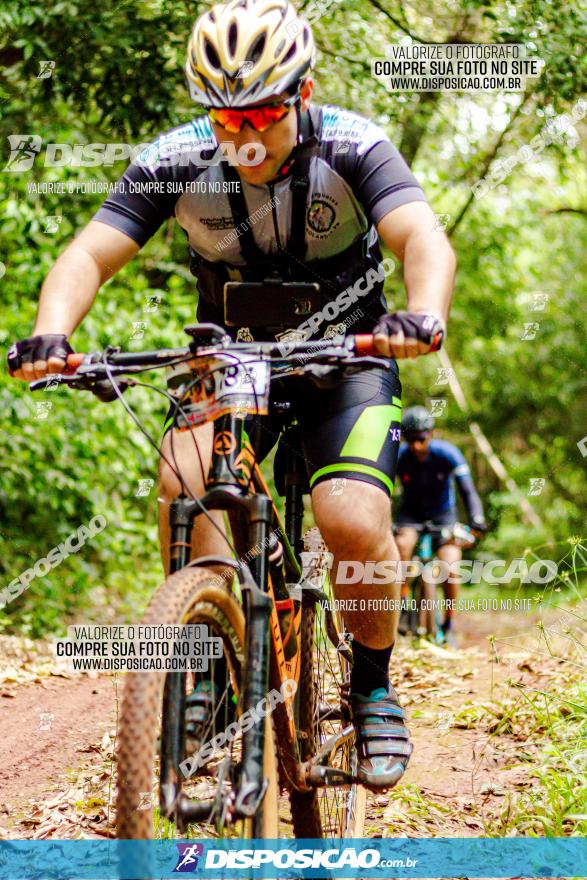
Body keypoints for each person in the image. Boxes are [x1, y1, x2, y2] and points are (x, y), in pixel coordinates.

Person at [8, 0, 456, 790]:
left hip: (347, 356)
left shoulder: (354, 145)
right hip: (234, 361)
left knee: (350, 521)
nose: (243, 136)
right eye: (225, 117)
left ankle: (372, 687)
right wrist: (52, 332)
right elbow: (89, 253)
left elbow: (421, 236)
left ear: (302, 93)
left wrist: (421, 315)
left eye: (260, 114)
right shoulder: (176, 158)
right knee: (185, 482)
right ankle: (210, 661)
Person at [395, 406, 487, 646]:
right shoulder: (399, 457)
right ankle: (403, 605)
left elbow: (468, 490)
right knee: (402, 546)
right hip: (411, 515)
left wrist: (477, 518)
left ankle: (448, 624)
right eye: (411, 440)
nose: (416, 446)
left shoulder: (448, 454)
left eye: (421, 439)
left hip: (443, 516)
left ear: (431, 434)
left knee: (450, 566)